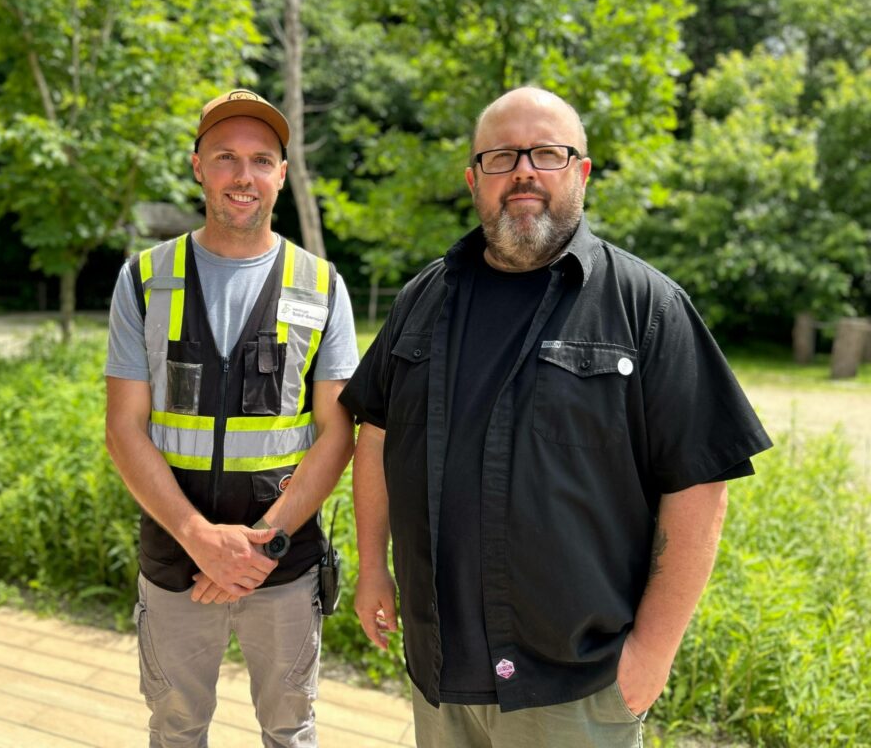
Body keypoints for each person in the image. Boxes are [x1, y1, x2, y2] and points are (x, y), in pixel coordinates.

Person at [338, 85, 772, 748]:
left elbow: (700, 486)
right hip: (440, 668)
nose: (523, 171)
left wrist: (652, 652)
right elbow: (376, 435)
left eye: (546, 152)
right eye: (501, 156)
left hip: (577, 685)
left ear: (582, 171)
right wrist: (374, 566)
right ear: (473, 178)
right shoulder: (421, 299)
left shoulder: (646, 306)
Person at [105, 88, 358, 748]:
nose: (242, 176)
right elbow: (124, 427)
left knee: (290, 731)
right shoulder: (143, 279)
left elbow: (338, 432)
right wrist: (198, 539)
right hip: (175, 561)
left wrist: (263, 544)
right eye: (225, 157)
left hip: (284, 561)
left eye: (260, 159)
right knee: (176, 729)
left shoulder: (323, 285)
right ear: (197, 166)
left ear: (281, 172)